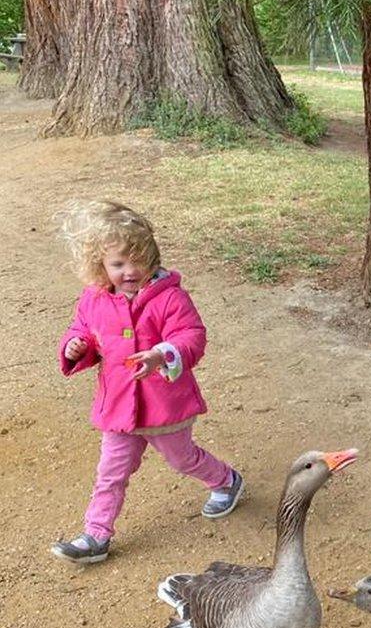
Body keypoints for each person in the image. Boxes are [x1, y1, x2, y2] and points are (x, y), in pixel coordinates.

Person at [52, 200, 243, 564]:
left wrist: (162, 354)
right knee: (110, 472)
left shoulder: (169, 297)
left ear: (151, 258)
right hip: (119, 406)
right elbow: (84, 332)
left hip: (163, 405)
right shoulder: (94, 299)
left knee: (183, 458)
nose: (129, 271)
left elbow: (192, 335)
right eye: (118, 264)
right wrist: (76, 347)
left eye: (137, 260)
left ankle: (226, 480)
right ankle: (96, 534)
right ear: (101, 267)